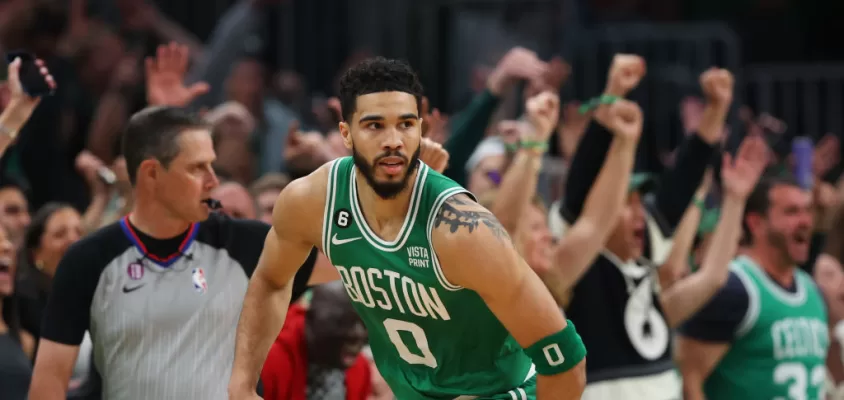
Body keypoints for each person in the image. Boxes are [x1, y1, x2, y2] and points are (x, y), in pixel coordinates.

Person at [228, 57, 587, 400]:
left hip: (500, 391)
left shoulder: (462, 230)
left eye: (405, 124)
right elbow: (272, 281)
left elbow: (565, 358)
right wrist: (243, 385)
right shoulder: (311, 202)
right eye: (374, 125)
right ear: (346, 134)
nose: (393, 141)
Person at [28, 106, 318, 399]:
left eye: (211, 165)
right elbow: (49, 382)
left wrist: (331, 162)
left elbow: (345, 252)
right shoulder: (88, 260)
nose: (212, 181)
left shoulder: (242, 243)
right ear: (152, 174)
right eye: (197, 168)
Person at [676, 176, 828, 400]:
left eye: (808, 211)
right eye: (792, 212)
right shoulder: (735, 288)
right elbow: (688, 378)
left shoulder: (812, 289)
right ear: (756, 223)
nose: (805, 221)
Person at [261, 281, 371, 400]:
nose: (358, 334)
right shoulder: (269, 362)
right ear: (311, 319)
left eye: (364, 324)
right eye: (343, 322)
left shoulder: (361, 370)